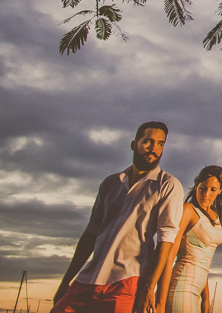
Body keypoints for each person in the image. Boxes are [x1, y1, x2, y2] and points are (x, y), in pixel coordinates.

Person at [52, 122, 185, 313]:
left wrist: (149, 287)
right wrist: (66, 281)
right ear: (134, 144)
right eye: (148, 141)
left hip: (127, 281)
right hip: (88, 279)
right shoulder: (110, 183)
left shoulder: (168, 185)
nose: (154, 148)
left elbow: (166, 240)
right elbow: (90, 234)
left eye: (160, 143)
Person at [159, 167, 222, 313]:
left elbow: (204, 261)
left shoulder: (215, 216)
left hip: (198, 293)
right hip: (181, 288)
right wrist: (160, 301)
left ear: (220, 189)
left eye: (213, 190)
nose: (206, 194)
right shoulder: (188, 210)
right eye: (202, 188)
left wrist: (206, 299)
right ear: (196, 185)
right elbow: (170, 256)